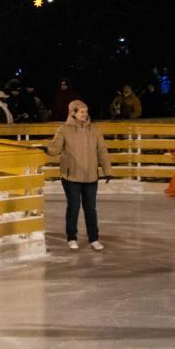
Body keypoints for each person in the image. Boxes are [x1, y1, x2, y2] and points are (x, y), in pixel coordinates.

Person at [45, 100, 111, 252]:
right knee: (73, 207)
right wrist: (47, 149)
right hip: (71, 176)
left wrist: (107, 170)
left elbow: (102, 151)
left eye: (86, 111)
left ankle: (94, 238)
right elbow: (55, 147)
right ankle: (72, 238)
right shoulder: (64, 130)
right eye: (81, 111)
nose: (85, 114)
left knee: (91, 208)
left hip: (90, 176)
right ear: (73, 113)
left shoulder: (94, 130)